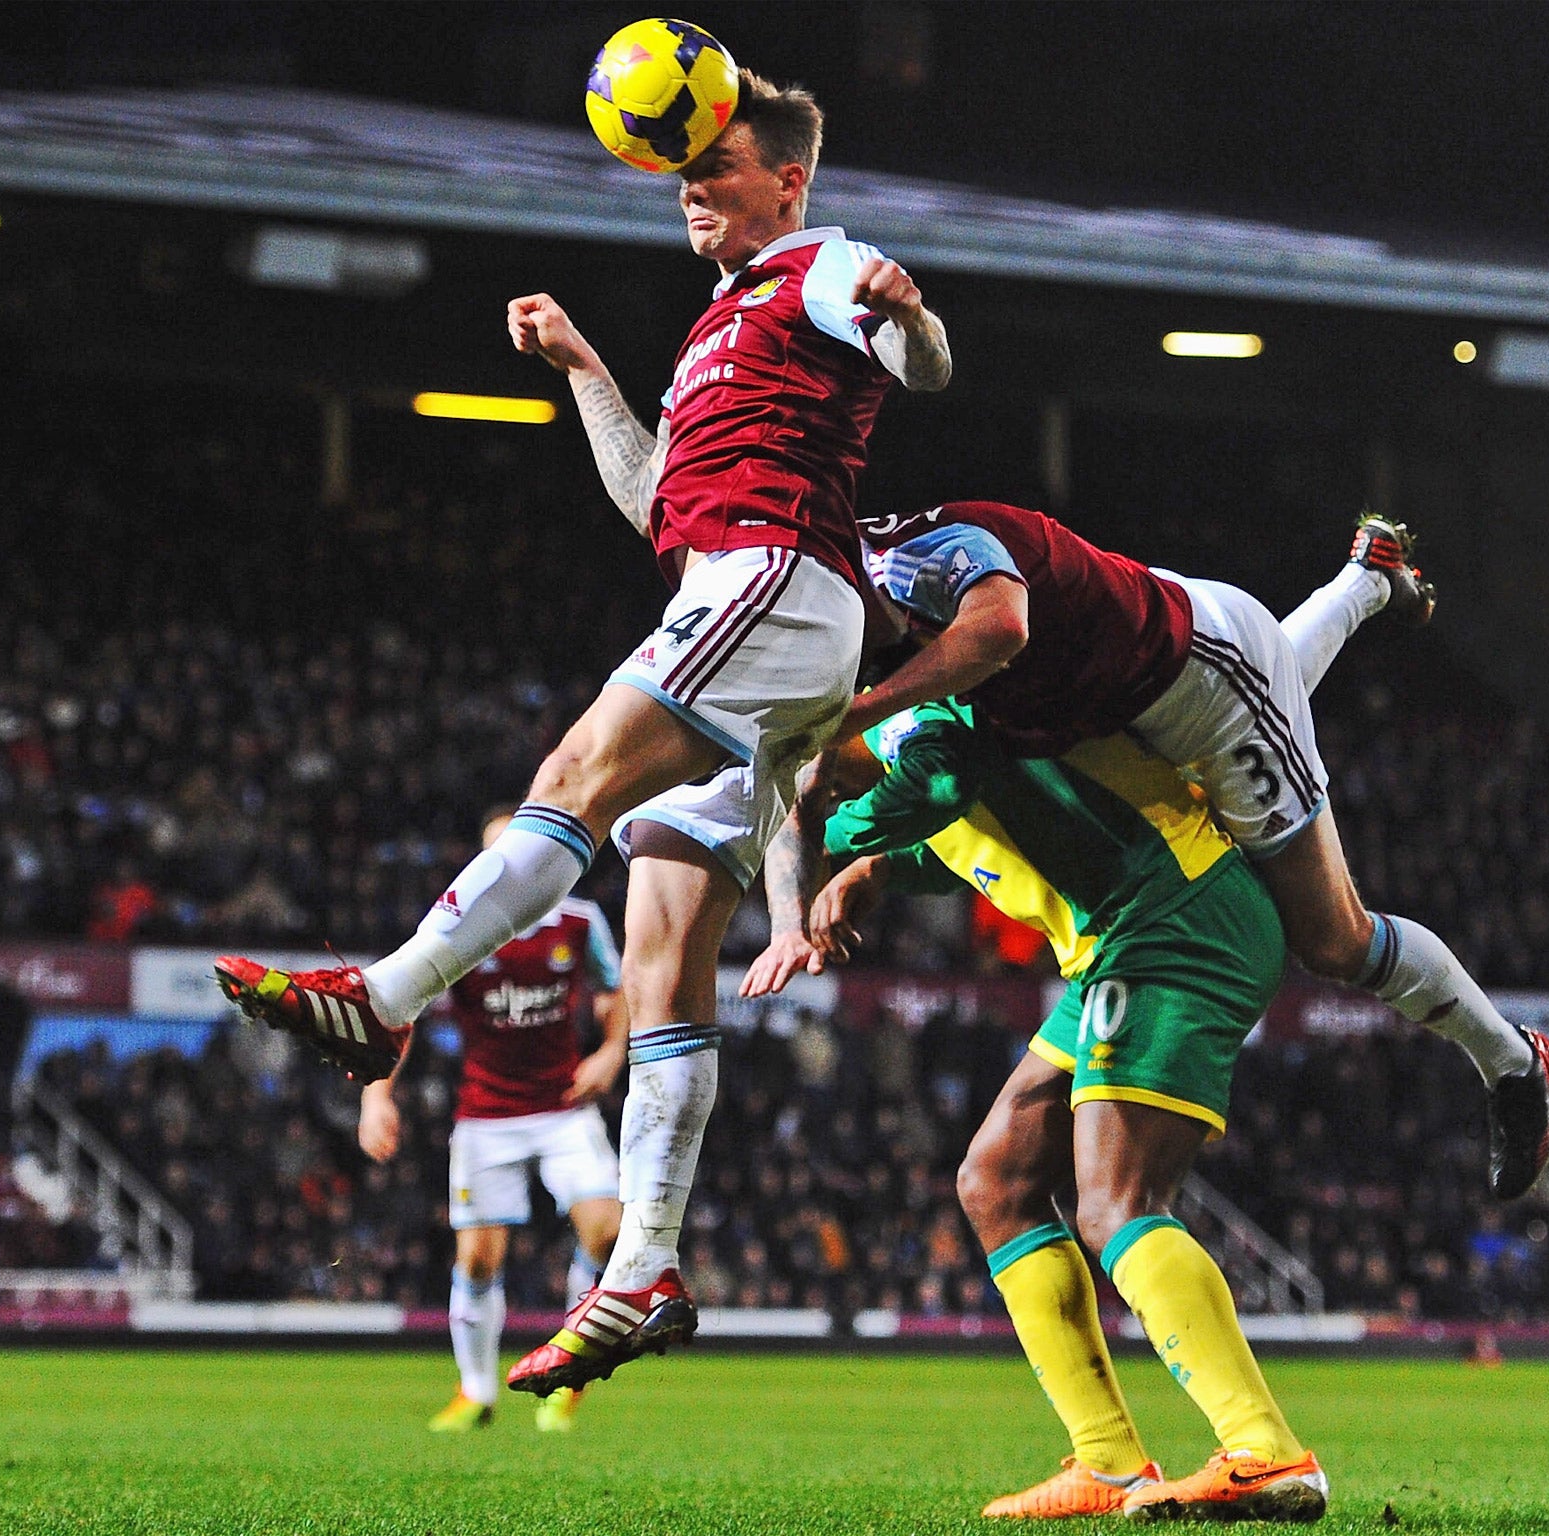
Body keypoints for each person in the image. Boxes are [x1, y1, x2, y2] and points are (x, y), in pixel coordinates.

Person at [216, 66, 952, 1398]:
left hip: (778, 587)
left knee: (571, 778)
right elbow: (658, 502)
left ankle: (385, 1001)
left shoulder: (820, 265)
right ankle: (646, 1269)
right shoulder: (721, 327)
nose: (691, 189)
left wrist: (910, 318)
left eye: (714, 168)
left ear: (783, 178)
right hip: (736, 594)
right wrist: (585, 370)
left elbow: (919, 356)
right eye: (683, 174)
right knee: (665, 934)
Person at [846, 503, 1549, 1199]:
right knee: (1263, 685)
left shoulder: (913, 578)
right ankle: (1366, 580)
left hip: (1211, 690)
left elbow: (988, 650)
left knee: (1336, 942)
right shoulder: (885, 585)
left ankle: (1512, 1060)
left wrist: (838, 766)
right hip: (1171, 676)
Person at [744, 703, 1328, 1522]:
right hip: (1122, 938)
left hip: (1173, 918)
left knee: (1117, 1201)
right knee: (997, 1180)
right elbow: (979, 815)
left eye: (810, 774)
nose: (815, 792)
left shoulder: (915, 719)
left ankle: (1263, 1451)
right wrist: (879, 868)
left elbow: (943, 778)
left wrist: (836, 837)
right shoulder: (911, 742)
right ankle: (1110, 1463)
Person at [356, 812, 629, 1434]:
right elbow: (400, 1013)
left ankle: (570, 1374)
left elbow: (617, 992)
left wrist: (611, 1052)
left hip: (564, 1108)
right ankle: (476, 1391)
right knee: (478, 1260)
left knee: (609, 1235)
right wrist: (377, 1097)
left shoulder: (581, 920)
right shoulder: (461, 928)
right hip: (486, 1115)